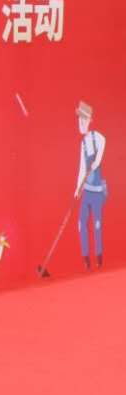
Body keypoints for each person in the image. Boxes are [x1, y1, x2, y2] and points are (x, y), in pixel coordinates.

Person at [76, 100, 107, 270]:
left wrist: (96, 161)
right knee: (81, 223)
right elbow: (82, 168)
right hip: (86, 191)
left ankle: (99, 257)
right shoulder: (83, 144)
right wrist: (77, 188)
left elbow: (103, 144)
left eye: (84, 119)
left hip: (97, 191)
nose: (81, 123)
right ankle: (86, 258)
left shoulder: (98, 137)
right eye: (79, 120)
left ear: (90, 120)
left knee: (97, 224)